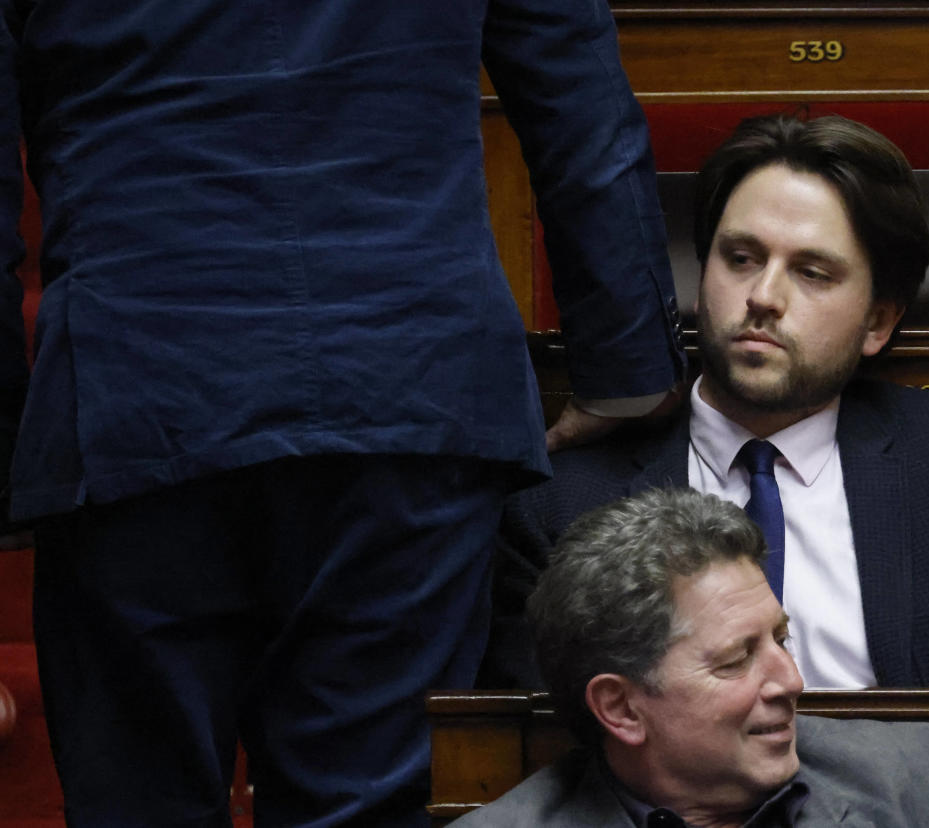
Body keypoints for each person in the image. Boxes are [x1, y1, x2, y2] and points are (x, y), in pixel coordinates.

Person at [0, 2, 684, 826]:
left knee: (140, 806)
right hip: (404, 376)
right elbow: (579, 102)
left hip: (137, 387)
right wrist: (625, 370)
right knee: (369, 809)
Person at [489, 113, 929, 690]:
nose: (763, 296)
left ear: (878, 323)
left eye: (812, 273)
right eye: (740, 258)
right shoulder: (557, 507)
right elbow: (530, 760)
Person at [457, 488, 929, 827]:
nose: (790, 681)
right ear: (620, 707)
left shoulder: (922, 784)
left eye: (780, 639)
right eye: (736, 660)